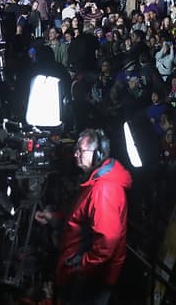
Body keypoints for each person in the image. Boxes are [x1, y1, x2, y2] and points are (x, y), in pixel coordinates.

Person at [34, 128, 131, 304]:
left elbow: (106, 243)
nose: (76, 155)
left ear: (98, 153)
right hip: (83, 274)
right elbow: (80, 218)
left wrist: (79, 267)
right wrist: (52, 217)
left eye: (81, 151)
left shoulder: (104, 189)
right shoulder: (94, 181)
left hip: (91, 279)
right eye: (76, 150)